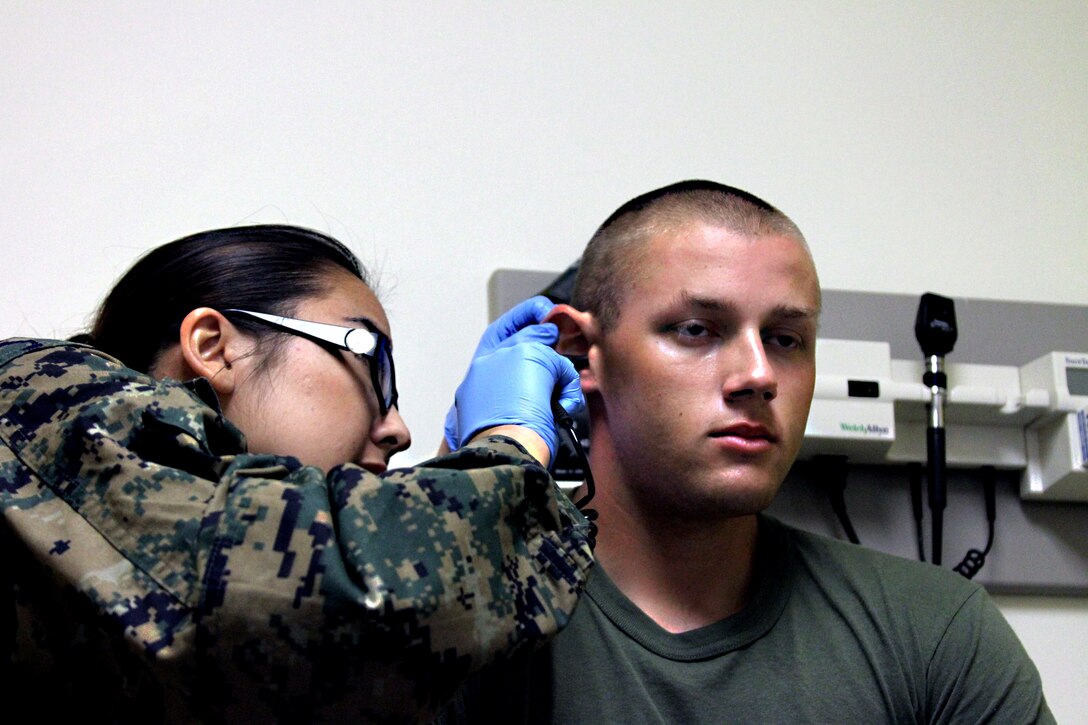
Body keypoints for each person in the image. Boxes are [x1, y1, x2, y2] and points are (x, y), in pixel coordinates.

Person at [437, 181, 1053, 723]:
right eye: (696, 330)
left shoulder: (936, 633)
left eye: (787, 339)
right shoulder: (470, 620)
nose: (759, 374)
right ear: (578, 352)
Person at [0, 224, 594, 723]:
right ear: (215, 346)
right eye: (372, 363)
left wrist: (463, 469)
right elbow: (332, 595)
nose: (398, 430)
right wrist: (509, 445)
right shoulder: (30, 394)